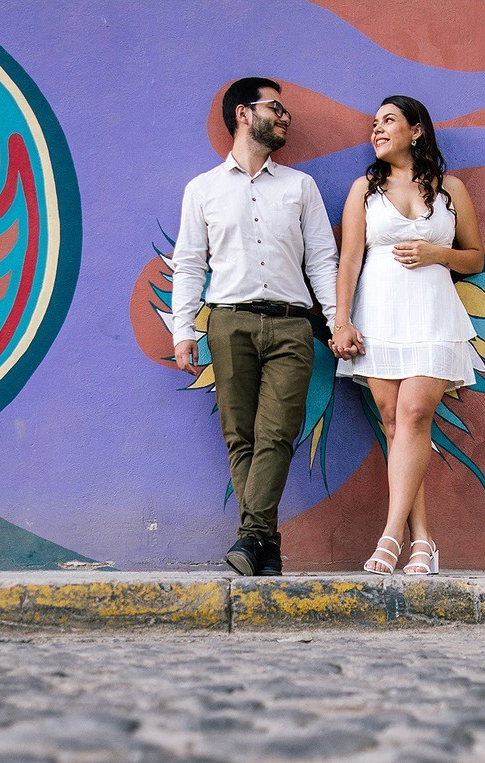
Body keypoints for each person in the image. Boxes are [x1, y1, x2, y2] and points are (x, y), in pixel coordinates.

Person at [168, 77, 340, 578]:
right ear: (244, 114)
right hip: (227, 322)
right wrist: (184, 331)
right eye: (276, 108)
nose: (285, 117)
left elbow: (323, 261)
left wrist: (335, 322)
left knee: (277, 433)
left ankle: (249, 536)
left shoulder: (299, 187)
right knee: (239, 437)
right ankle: (266, 545)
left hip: (291, 327)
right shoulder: (202, 190)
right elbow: (189, 264)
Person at [329, 95, 484, 576]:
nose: (376, 130)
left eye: (388, 121)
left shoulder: (451, 187)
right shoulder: (363, 190)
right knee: (396, 424)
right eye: (373, 123)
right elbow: (350, 258)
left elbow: (476, 256)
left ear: (416, 131)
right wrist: (342, 319)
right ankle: (424, 542)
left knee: (416, 413)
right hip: (379, 315)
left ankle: (390, 535)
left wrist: (439, 254)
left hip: (434, 313)